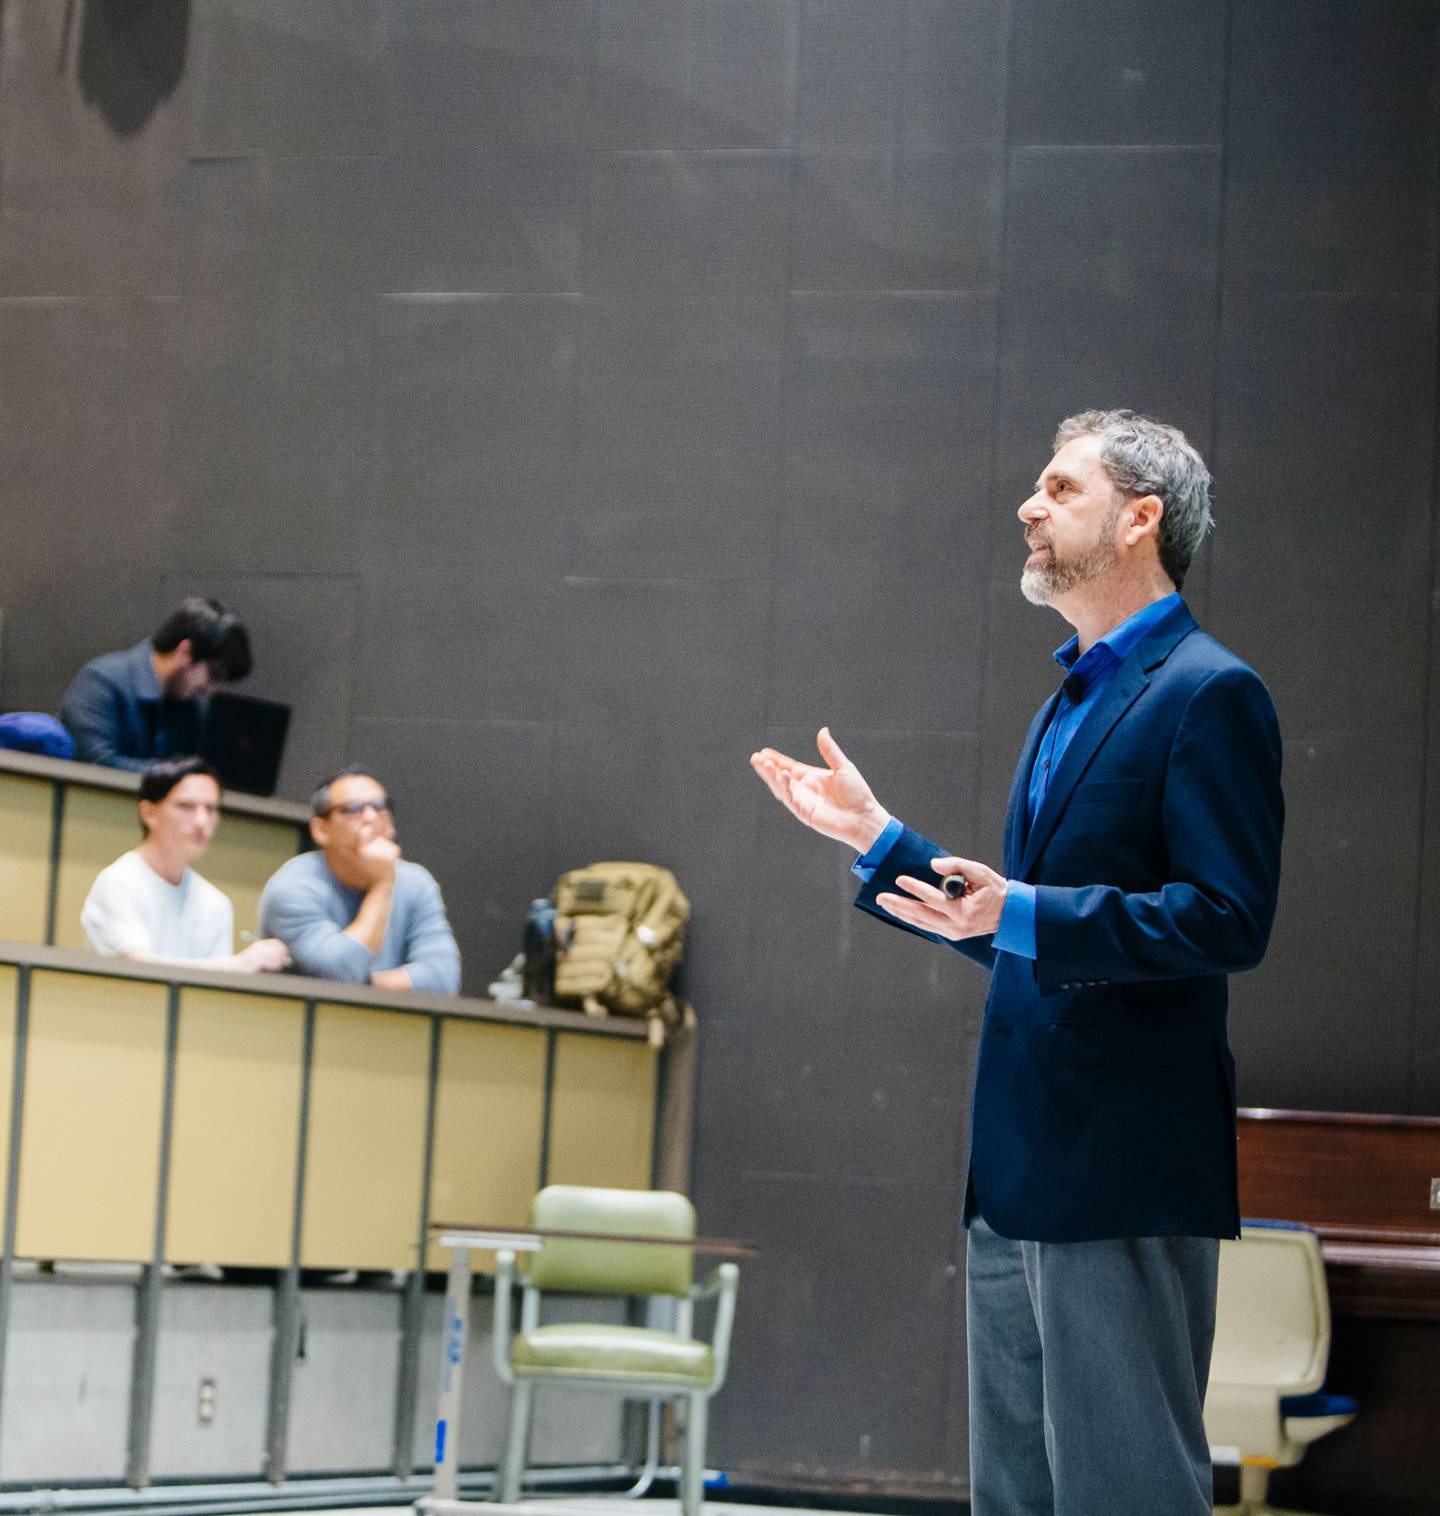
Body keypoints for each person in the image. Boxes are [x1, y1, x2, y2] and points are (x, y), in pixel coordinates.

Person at [750, 409, 1284, 1516]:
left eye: (1061, 488)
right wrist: (879, 841)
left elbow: (1227, 918)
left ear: (1140, 519)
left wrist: (1028, 910)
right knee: (1017, 1496)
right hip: (1015, 1168)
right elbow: (1025, 933)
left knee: (1127, 1491)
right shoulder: (1064, 705)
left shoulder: (1209, 691)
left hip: (1123, 1163)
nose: (1028, 507)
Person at [258, 767, 461, 994]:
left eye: (379, 807)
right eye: (353, 809)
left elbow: (443, 978)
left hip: (386, 1017)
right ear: (321, 830)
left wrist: (366, 986)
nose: (371, 818)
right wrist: (382, 886)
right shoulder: (293, 886)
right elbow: (340, 973)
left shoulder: (417, 883)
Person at [81, 755, 291, 973]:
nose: (202, 821)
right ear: (149, 813)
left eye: (210, 809)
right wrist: (240, 964)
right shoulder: (117, 883)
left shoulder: (216, 904)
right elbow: (140, 971)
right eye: (186, 806)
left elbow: (213, 986)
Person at [60, 597, 253, 771]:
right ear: (185, 651)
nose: (211, 688)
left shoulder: (194, 708)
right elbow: (95, 765)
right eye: (213, 674)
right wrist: (174, 776)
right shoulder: (100, 682)